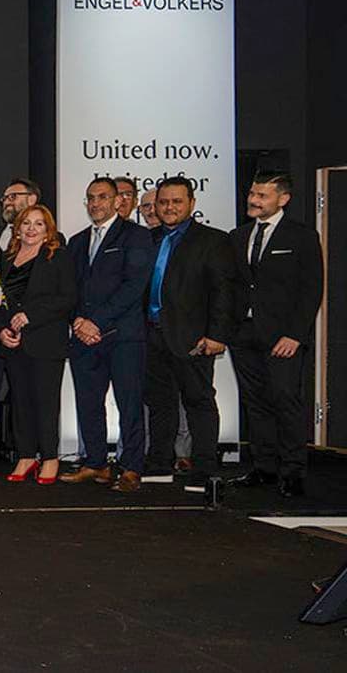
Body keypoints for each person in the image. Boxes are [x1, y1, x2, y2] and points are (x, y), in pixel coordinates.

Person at [227, 172, 323, 498]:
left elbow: (311, 291)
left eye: (263, 196)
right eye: (253, 193)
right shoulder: (238, 236)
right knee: (255, 403)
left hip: (284, 337)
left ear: (283, 199)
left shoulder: (302, 237)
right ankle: (264, 467)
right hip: (245, 335)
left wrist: (295, 335)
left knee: (286, 401)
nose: (254, 200)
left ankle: (293, 471)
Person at [144, 176, 238, 491]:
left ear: (192, 204)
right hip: (151, 335)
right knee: (160, 403)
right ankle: (159, 464)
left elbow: (224, 292)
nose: (169, 207)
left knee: (198, 401)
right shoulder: (151, 238)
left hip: (194, 338)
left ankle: (204, 469)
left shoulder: (213, 240)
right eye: (164, 202)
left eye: (176, 201)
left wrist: (217, 335)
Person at [62, 178, 153, 492]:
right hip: (83, 338)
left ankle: (131, 468)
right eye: (90, 198)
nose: (95, 203)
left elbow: (133, 287)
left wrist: (95, 322)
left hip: (123, 336)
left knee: (129, 404)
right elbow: (68, 289)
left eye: (102, 197)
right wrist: (77, 321)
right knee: (88, 402)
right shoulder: (76, 242)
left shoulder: (136, 236)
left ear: (118, 202)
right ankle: (96, 462)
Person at [0, 206, 78, 484]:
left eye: (39, 224)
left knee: (45, 401)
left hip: (46, 341)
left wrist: (31, 317)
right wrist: (3, 330)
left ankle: (51, 457)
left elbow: (68, 298)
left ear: (48, 230)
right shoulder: (7, 259)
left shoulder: (58, 256)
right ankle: (26, 455)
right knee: (20, 402)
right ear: (17, 228)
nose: (31, 228)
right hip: (14, 342)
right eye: (26, 223)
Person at [0, 178, 41, 248]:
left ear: (31, 200)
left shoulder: (50, 238)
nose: (6, 202)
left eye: (12, 196)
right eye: (4, 199)